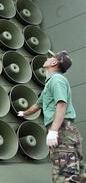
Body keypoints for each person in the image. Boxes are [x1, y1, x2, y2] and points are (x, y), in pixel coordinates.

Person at [18, 50, 85, 182]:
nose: (47, 59)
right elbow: (38, 105)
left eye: (50, 58)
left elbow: (61, 104)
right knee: (77, 174)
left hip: (62, 129)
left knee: (64, 174)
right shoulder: (50, 83)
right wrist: (24, 113)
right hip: (66, 129)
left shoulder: (57, 80)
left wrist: (53, 131)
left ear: (54, 62)